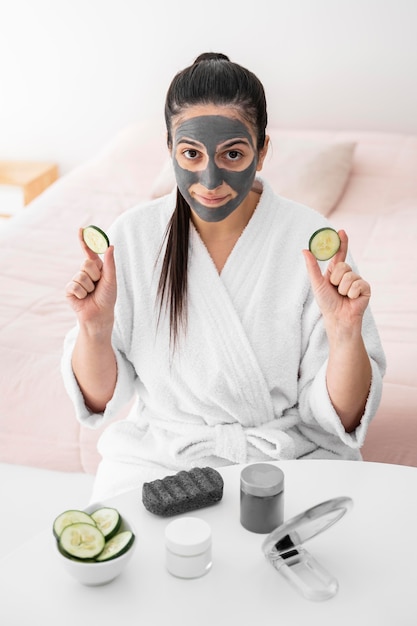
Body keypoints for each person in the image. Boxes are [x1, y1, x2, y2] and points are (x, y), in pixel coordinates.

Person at [62, 52, 386, 501]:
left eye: (232, 154)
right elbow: (101, 401)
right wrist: (94, 330)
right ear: (169, 148)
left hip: (289, 458)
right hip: (162, 457)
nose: (209, 179)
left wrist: (346, 333)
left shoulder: (311, 241)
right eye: (190, 153)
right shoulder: (132, 238)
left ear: (263, 150)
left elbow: (340, 416)